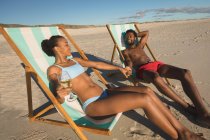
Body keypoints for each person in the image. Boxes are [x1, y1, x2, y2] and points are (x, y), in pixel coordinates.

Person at [41, 35, 205, 140]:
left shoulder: (75, 60)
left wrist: (118, 68)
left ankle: (182, 131)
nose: (69, 46)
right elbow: (57, 82)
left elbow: (97, 64)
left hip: (105, 94)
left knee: (147, 91)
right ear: (56, 48)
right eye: (65, 44)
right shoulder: (55, 69)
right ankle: (182, 135)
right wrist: (59, 91)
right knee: (144, 99)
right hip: (94, 104)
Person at [122, 29, 210, 127]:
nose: (128, 38)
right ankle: (186, 107)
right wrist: (128, 67)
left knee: (185, 73)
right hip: (143, 70)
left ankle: (203, 113)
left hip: (155, 64)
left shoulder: (140, 45)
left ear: (135, 37)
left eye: (130, 36)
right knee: (156, 77)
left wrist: (134, 34)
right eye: (126, 37)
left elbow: (146, 33)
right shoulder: (125, 51)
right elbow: (128, 60)